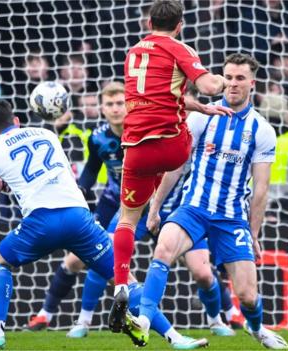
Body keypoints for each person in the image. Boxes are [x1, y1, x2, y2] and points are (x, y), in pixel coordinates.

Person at [0, 100, 204, 349]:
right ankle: (176, 338)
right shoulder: (46, 134)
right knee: (124, 280)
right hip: (79, 217)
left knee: (0, 260)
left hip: (41, 222)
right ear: (17, 121)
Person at [136, 53, 288, 349]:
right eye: (228, 77)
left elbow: (261, 189)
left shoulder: (262, 130)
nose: (233, 84)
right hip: (193, 208)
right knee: (164, 248)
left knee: (247, 296)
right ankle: (143, 319)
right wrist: (155, 207)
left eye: (240, 78)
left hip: (231, 217)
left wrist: (254, 234)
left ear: (252, 83)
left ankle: (257, 329)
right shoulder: (200, 116)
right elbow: (176, 166)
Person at [109, 0, 232, 332]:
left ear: (149, 22)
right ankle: (164, 205)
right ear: (180, 24)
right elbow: (206, 86)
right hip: (172, 148)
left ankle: (121, 285)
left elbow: (162, 95)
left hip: (135, 148)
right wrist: (223, 82)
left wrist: (201, 108)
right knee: (187, 132)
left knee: (126, 219)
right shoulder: (179, 47)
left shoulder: (134, 52)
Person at [26, 82, 127, 330]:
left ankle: (225, 313)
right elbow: (92, 170)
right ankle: (45, 315)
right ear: (102, 108)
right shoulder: (98, 137)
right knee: (74, 260)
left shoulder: (142, 132)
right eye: (110, 104)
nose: (115, 109)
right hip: (112, 201)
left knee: (185, 258)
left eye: (120, 103)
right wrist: (79, 191)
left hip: (148, 203)